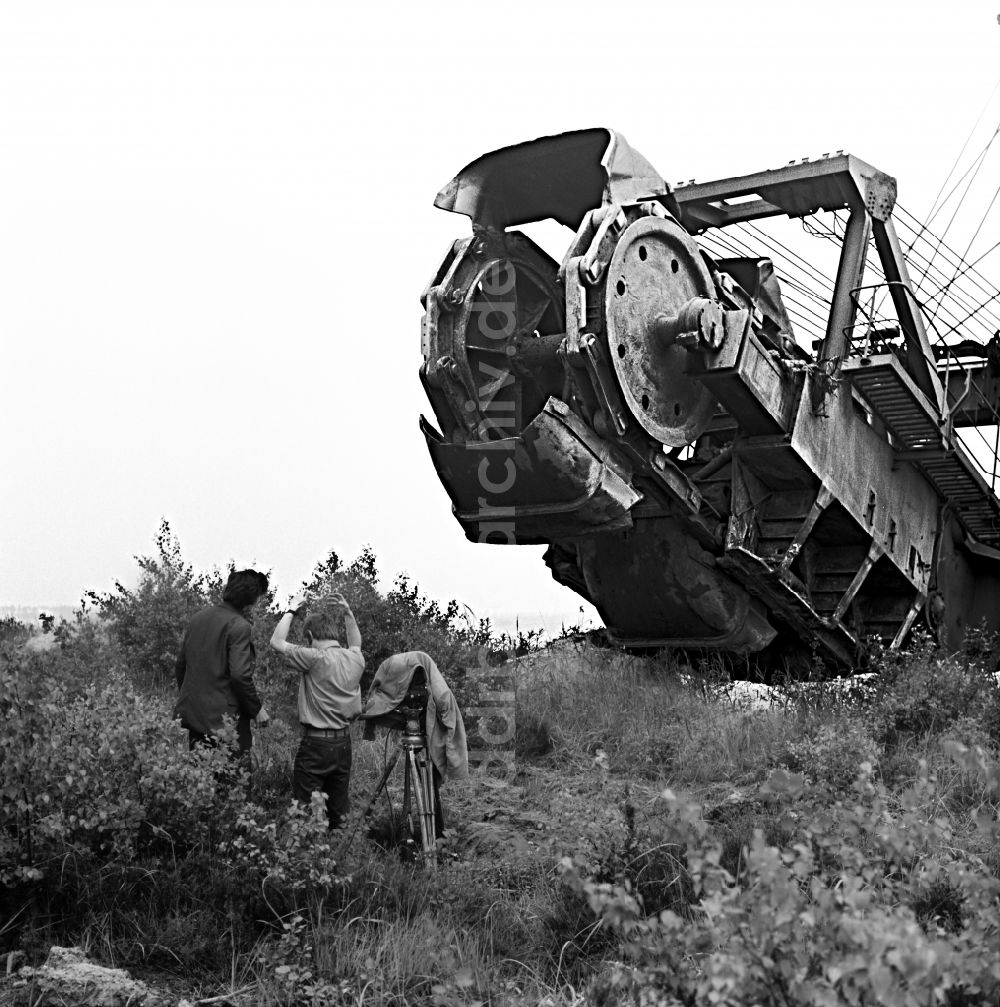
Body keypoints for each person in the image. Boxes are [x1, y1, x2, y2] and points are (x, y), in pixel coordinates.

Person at [270, 590, 364, 829]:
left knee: (302, 809)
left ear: (310, 635)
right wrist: (348, 613)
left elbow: (276, 642)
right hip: (344, 743)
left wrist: (291, 609)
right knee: (338, 811)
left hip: (316, 745)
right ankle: (337, 858)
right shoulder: (355, 658)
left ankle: (304, 857)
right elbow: (355, 642)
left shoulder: (313, 657)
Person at [174, 569, 271, 759]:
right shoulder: (239, 625)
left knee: (200, 783)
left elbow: (181, 666)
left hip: (196, 720)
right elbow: (240, 675)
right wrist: (256, 709)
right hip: (227, 724)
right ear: (251, 597)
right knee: (234, 783)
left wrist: (195, 701)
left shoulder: (197, 619)